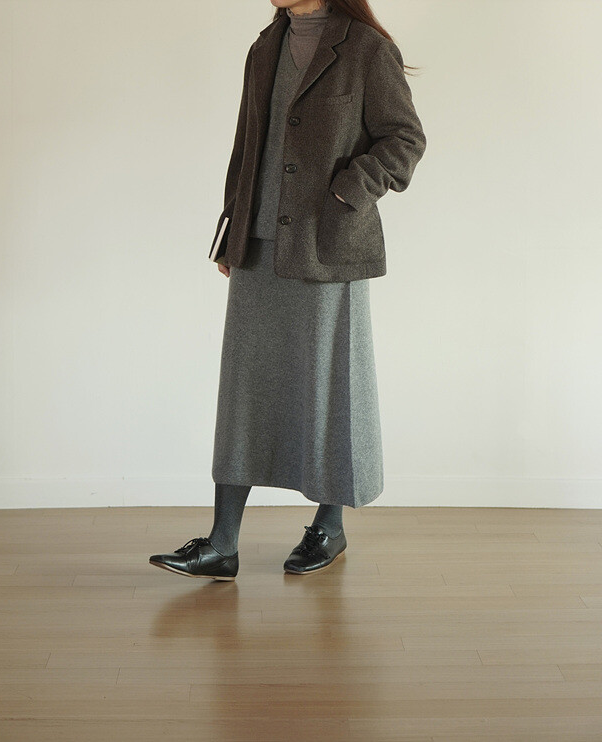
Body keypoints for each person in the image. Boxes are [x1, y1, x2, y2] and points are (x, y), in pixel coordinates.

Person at [150, 0, 426, 581]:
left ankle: (329, 525)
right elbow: (247, 145)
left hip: (326, 245)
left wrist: (349, 189)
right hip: (258, 241)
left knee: (328, 386)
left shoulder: (367, 49)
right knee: (244, 390)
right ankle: (222, 544)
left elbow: (405, 139)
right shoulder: (264, 48)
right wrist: (230, 231)